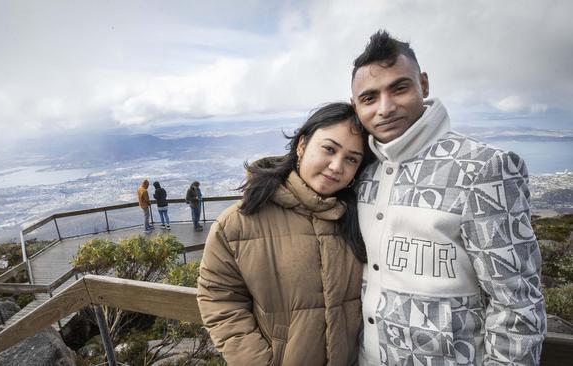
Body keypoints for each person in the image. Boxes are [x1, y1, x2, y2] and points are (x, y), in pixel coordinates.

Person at [350, 30, 546, 365]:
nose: (385, 108)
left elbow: (517, 306)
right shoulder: (361, 172)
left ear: (423, 85)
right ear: (356, 105)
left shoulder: (483, 167)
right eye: (369, 98)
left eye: (399, 88)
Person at [197, 102, 371, 365]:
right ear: (301, 145)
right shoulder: (238, 223)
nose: (337, 166)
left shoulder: (359, 218)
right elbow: (219, 300)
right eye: (329, 149)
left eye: (351, 159)